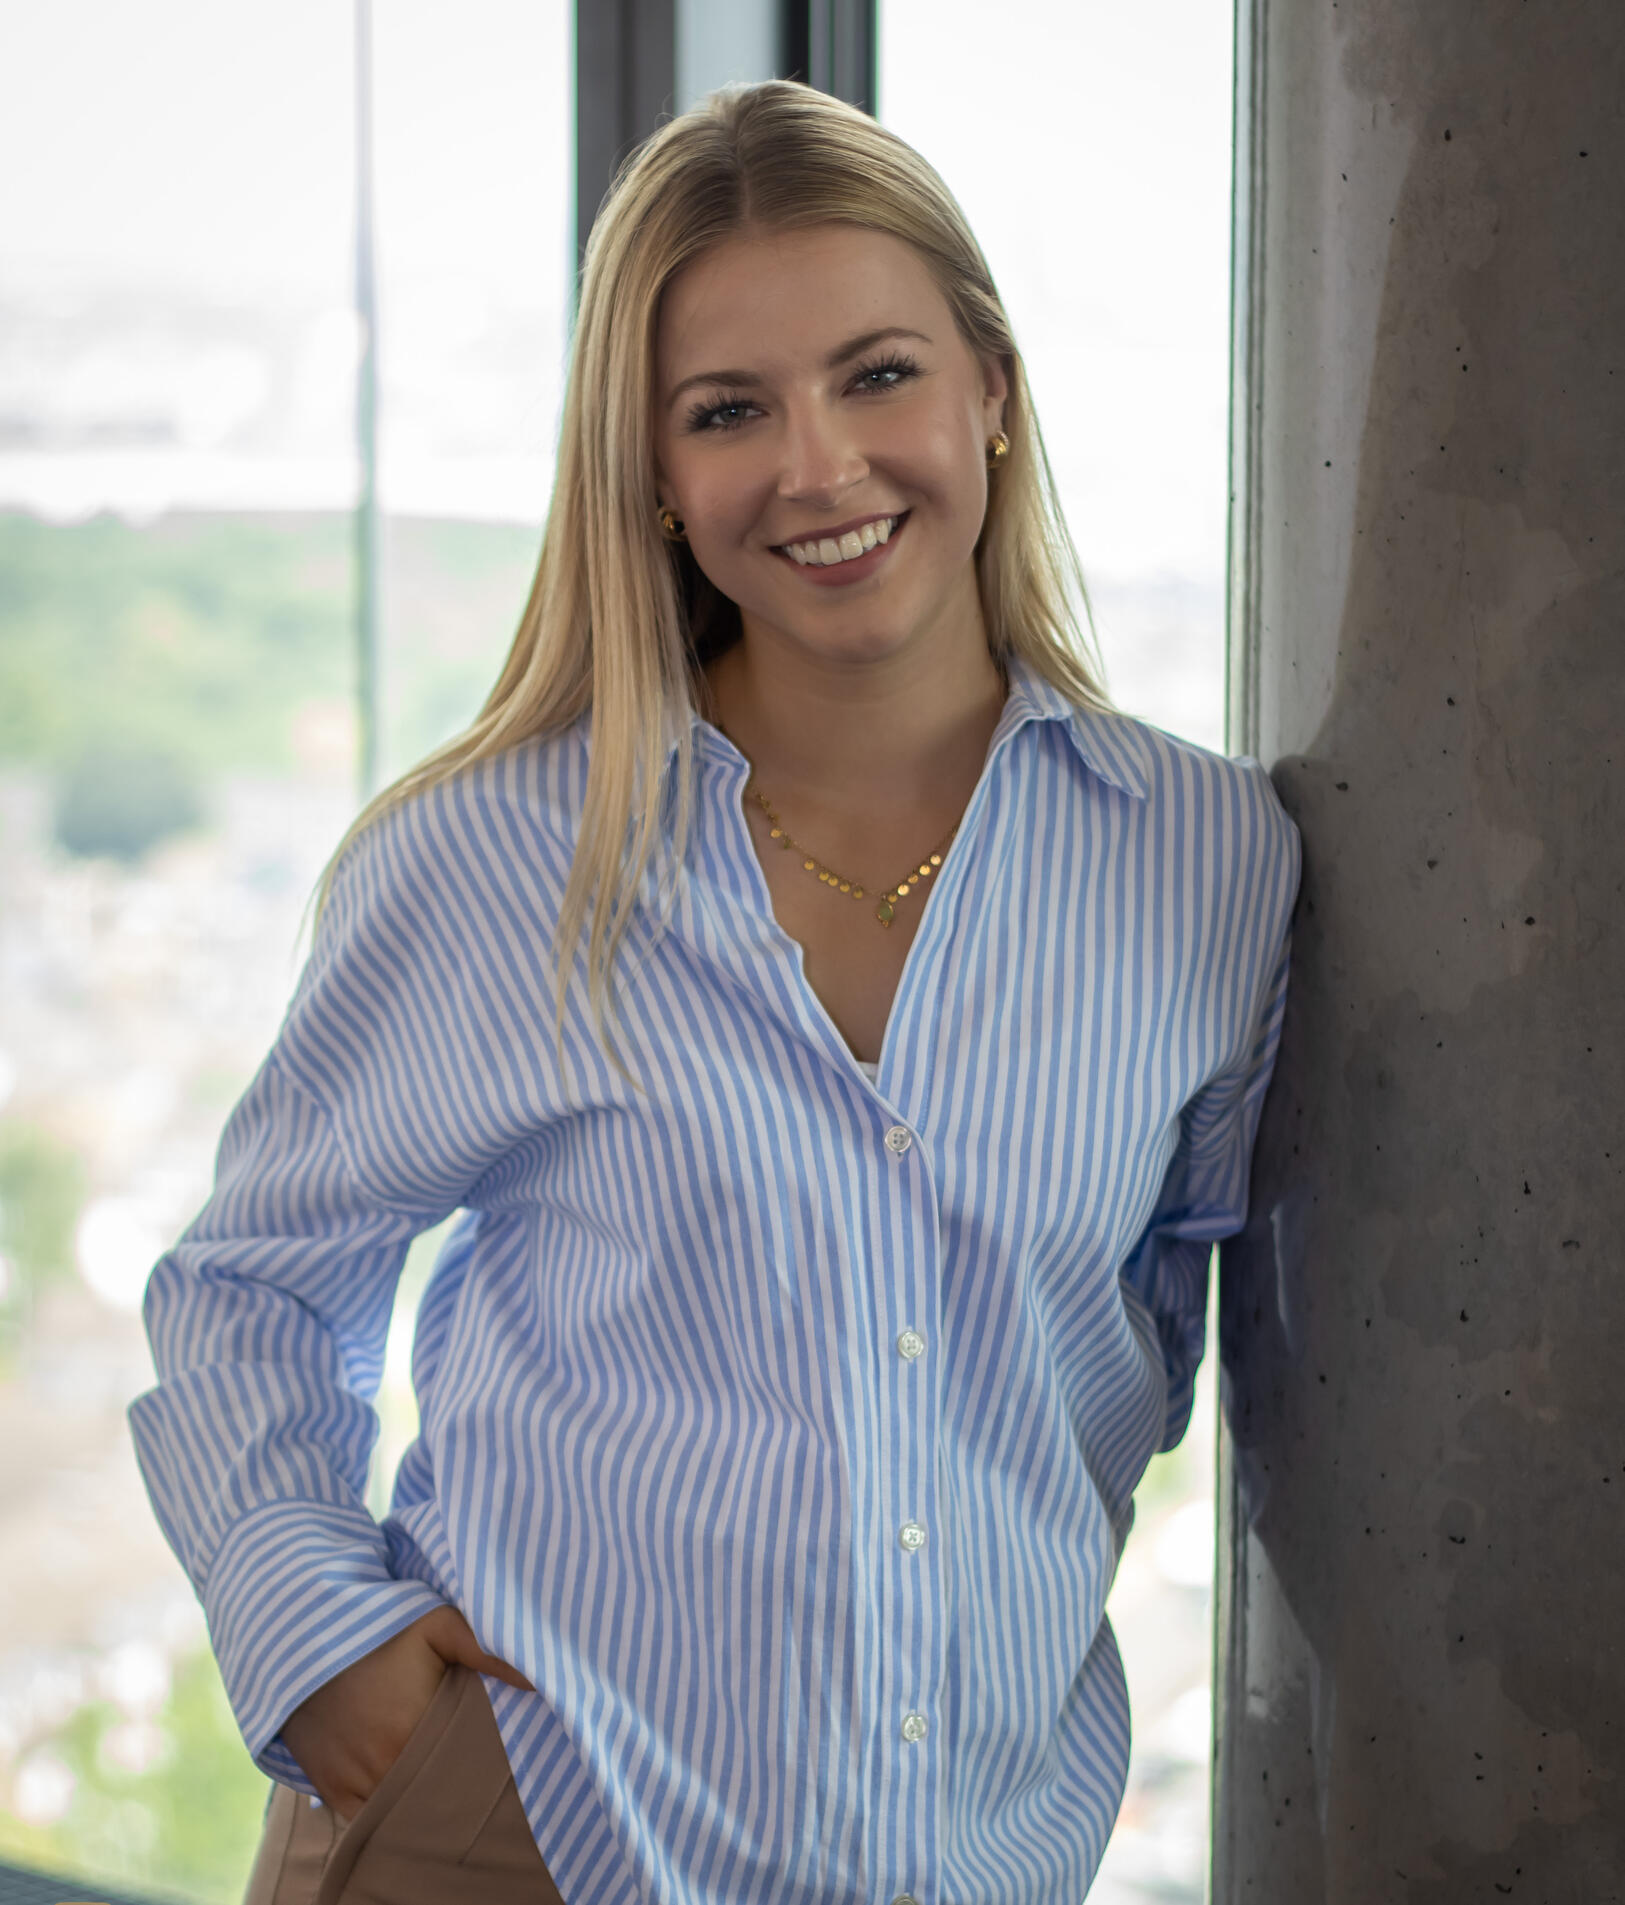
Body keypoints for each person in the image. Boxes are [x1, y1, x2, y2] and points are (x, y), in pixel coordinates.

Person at [128, 77, 1301, 1905]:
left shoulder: (1211, 860)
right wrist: (327, 1648)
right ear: (656, 480)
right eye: (727, 411)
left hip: (975, 1852)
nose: (819, 466)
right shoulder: (493, 856)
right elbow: (249, 1289)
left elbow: (1140, 1335)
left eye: (879, 373)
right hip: (514, 1829)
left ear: (991, 387)